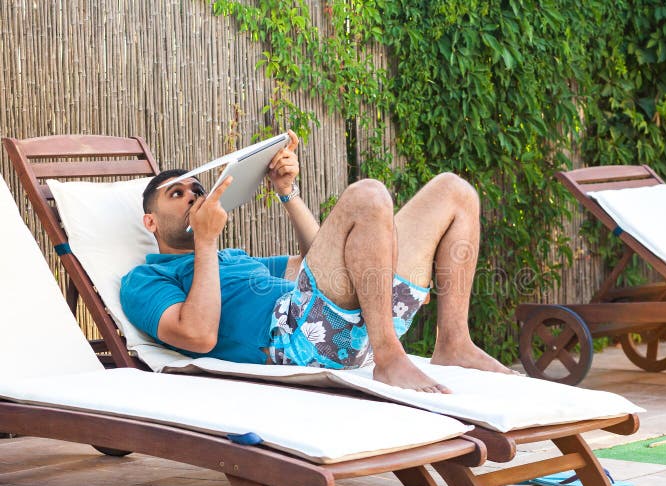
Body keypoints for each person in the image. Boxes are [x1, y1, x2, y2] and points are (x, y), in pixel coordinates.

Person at [121, 130, 512, 393]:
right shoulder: (144, 279)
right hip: (296, 341)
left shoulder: (234, 259)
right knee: (368, 196)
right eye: (177, 193)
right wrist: (205, 240)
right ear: (150, 221)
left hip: (356, 316)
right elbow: (199, 336)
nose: (193, 196)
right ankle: (390, 356)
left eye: (198, 190)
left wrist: (286, 191)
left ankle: (454, 342)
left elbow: (317, 261)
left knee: (454, 191)